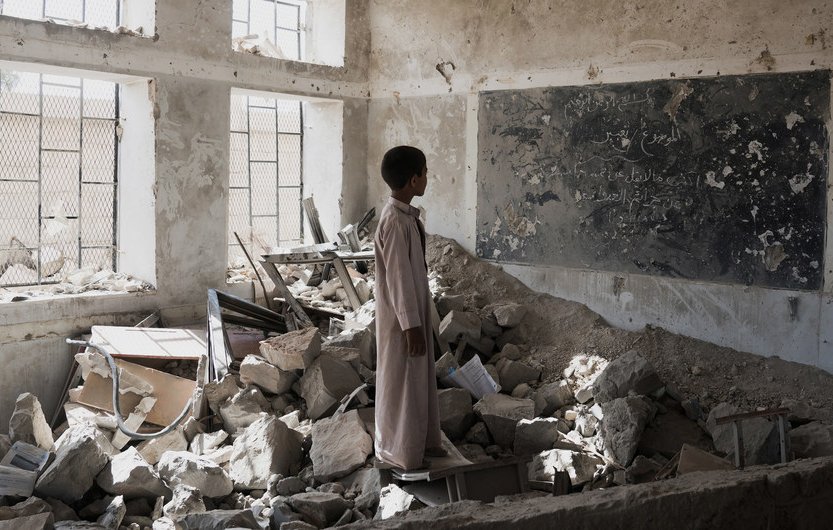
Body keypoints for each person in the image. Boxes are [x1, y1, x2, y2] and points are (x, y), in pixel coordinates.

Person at [373, 145, 447, 470]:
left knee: (417, 379)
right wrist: (410, 326)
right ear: (414, 180)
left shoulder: (406, 218)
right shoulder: (394, 222)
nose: (428, 178)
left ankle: (423, 442)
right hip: (401, 321)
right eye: (426, 172)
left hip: (413, 313)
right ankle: (399, 451)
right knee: (401, 383)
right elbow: (398, 279)